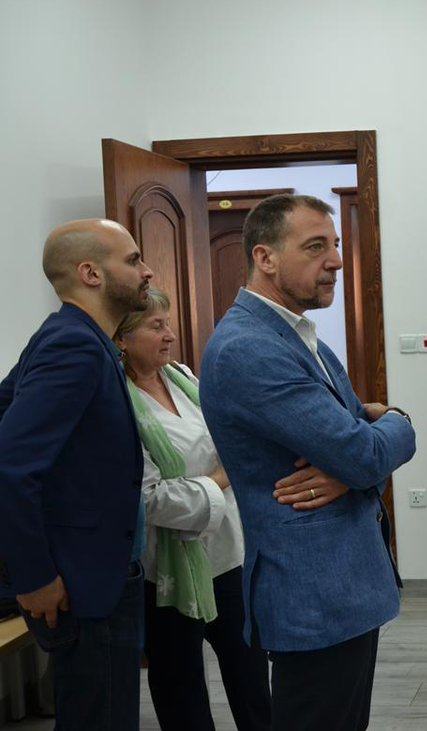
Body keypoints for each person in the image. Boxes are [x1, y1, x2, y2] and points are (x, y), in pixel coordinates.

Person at [200, 193, 416, 731]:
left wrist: (353, 466)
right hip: (313, 597)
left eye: (336, 245)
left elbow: (356, 446)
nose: (337, 261)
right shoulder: (250, 348)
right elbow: (364, 448)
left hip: (340, 588)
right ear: (265, 257)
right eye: (316, 246)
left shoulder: (295, 332)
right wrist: (402, 421)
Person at [0, 219, 153, 729]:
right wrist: (35, 575)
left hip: (99, 573)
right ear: (90, 272)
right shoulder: (75, 345)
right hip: (83, 583)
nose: (146, 270)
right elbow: (11, 464)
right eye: (133, 260)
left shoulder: (72, 335)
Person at [114, 288, 271, 731]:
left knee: (251, 676)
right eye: (156, 326)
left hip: (227, 555)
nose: (170, 335)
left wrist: (221, 473)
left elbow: (229, 442)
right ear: (122, 339)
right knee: (180, 687)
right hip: (166, 570)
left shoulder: (183, 378)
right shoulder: (120, 404)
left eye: (168, 324)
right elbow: (149, 499)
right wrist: (221, 479)